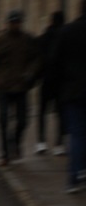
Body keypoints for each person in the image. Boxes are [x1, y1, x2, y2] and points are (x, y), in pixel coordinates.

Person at [0, 9, 40, 165]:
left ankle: (14, 142)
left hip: (21, 86)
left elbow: (35, 59)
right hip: (3, 86)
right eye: (13, 22)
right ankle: (4, 154)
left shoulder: (28, 39)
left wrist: (30, 73)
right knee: (2, 120)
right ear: (8, 23)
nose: (15, 25)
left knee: (23, 121)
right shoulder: (1, 40)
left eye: (17, 22)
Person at [50, 0, 86, 193]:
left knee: (77, 134)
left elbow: (55, 62)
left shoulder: (68, 31)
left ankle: (74, 178)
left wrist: (57, 89)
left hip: (72, 91)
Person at [35, 11, 66, 154]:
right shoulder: (65, 36)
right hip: (61, 80)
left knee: (42, 112)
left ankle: (41, 142)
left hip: (46, 79)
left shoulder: (44, 37)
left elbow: (37, 58)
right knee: (60, 113)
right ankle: (59, 144)